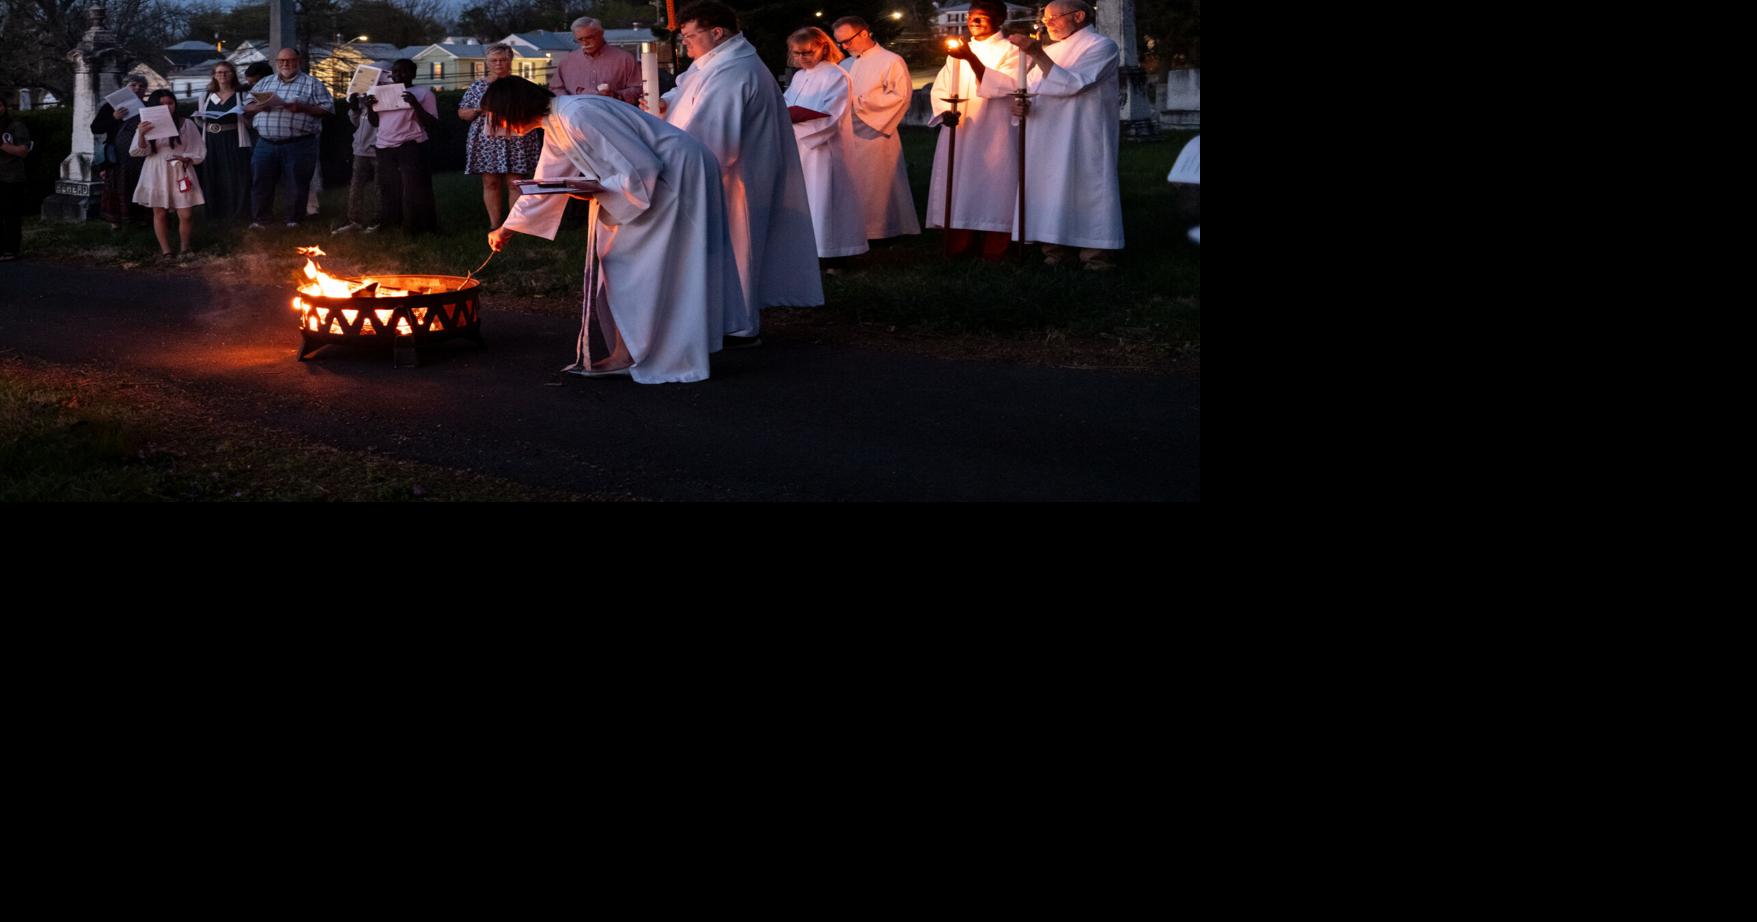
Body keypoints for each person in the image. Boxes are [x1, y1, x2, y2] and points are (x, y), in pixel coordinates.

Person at [481, 78, 744, 384]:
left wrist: (596, 189)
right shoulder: (558, 121)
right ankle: (631, 351)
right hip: (655, 181)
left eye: (498, 117)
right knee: (621, 263)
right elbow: (546, 180)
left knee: (635, 264)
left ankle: (647, 353)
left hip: (675, 178)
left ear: (514, 108)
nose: (498, 126)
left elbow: (642, 167)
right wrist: (507, 227)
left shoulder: (577, 115)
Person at [661, 0, 822, 344]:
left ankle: (740, 324)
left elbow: (713, 137)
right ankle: (724, 318)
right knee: (728, 249)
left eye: (690, 36)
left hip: (737, 180)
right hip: (726, 175)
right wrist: (664, 104)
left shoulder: (734, 72)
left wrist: (667, 165)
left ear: (717, 32)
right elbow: (686, 92)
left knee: (738, 247)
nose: (685, 44)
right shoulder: (716, 63)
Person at [982, 0, 1123, 269]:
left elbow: (1074, 84)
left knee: (1087, 188)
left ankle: (1095, 253)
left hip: (1083, 133)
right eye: (1045, 19)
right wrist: (1021, 106)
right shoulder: (1051, 51)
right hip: (1045, 134)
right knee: (1049, 189)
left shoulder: (1101, 46)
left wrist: (1038, 54)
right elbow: (1032, 88)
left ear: (1078, 16)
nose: (1047, 24)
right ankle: (1054, 249)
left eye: (1054, 18)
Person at [931, 0, 1019, 260]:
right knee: (958, 180)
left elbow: (1006, 85)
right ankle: (959, 242)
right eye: (971, 16)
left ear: (999, 19)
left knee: (995, 182)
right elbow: (941, 87)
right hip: (961, 127)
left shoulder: (1011, 50)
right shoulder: (956, 53)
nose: (974, 21)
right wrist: (944, 112)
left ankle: (995, 243)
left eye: (983, 16)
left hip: (995, 128)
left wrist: (970, 57)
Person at [782, 27, 867, 264]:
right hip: (800, 146)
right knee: (806, 198)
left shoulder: (836, 76)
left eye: (807, 53)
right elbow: (786, 104)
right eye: (796, 53)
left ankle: (833, 252)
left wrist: (799, 125)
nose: (801, 58)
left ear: (823, 47)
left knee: (825, 197)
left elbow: (833, 114)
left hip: (824, 148)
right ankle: (807, 248)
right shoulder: (799, 76)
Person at [830, 15, 920, 241]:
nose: (844, 46)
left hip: (876, 132)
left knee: (876, 183)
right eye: (840, 42)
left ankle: (881, 230)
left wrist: (859, 103)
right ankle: (854, 228)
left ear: (864, 33)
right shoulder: (845, 64)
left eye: (847, 40)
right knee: (852, 182)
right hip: (847, 132)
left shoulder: (891, 60)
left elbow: (900, 97)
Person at [244, 48, 333, 228]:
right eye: (281, 61)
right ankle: (261, 220)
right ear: (276, 62)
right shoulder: (264, 82)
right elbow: (247, 107)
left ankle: (294, 221)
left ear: (298, 61)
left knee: (297, 184)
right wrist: (259, 107)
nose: (285, 64)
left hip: (298, 144)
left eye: (290, 60)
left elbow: (328, 110)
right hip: (265, 143)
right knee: (261, 182)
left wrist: (303, 108)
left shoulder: (312, 83)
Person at [459, 43, 544, 228]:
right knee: (490, 182)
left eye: (503, 60)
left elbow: (539, 110)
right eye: (494, 60)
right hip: (486, 140)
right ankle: (495, 224)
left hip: (516, 138)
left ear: (510, 60)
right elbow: (462, 113)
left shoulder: (520, 85)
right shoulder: (478, 86)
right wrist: (480, 109)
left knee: (516, 182)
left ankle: (514, 225)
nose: (498, 64)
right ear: (487, 62)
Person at [363, 58, 440, 235]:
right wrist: (370, 108)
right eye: (396, 72)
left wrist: (415, 104)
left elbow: (432, 123)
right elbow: (375, 122)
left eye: (404, 71)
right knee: (389, 187)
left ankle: (420, 227)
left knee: (415, 188)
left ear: (413, 74)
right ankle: (391, 224)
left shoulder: (423, 93)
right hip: (384, 146)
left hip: (411, 144)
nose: (399, 75)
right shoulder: (382, 92)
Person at [129, 89, 205, 258]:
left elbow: (198, 148)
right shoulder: (146, 125)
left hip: (180, 169)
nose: (167, 107)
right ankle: (166, 251)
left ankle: (185, 248)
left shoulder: (186, 124)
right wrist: (141, 134)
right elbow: (138, 151)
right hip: (156, 170)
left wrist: (187, 157)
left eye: (170, 103)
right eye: (162, 104)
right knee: (160, 212)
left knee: (186, 214)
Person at [192, 61, 254, 222]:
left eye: (226, 72)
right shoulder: (205, 96)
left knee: (235, 175)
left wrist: (243, 115)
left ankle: (238, 214)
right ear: (214, 75)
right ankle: (215, 214)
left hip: (233, 138)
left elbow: (249, 123)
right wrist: (199, 117)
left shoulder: (242, 95)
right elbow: (201, 123)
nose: (223, 75)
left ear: (233, 74)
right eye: (219, 72)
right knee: (213, 175)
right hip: (211, 140)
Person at [91, 73, 149, 228]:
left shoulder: (148, 107)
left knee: (140, 186)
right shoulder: (110, 107)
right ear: (125, 88)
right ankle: (117, 222)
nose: (137, 88)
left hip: (142, 155)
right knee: (118, 187)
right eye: (133, 85)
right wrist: (114, 118)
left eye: (142, 86)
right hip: (118, 157)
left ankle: (142, 220)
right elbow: (95, 128)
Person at [549, 16, 643, 104]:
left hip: (613, 113)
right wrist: (569, 101)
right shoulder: (566, 62)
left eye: (589, 37)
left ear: (601, 33)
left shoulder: (625, 59)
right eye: (580, 40)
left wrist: (616, 95)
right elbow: (555, 89)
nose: (585, 43)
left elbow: (640, 89)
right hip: (576, 114)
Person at [333, 79, 381, 234]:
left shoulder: (381, 98)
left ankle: (379, 219)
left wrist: (371, 106)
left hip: (378, 147)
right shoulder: (362, 102)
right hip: (360, 148)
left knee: (379, 186)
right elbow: (356, 123)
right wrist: (354, 108)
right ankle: (354, 220)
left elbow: (378, 123)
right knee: (356, 185)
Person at [1, 95, 32, 261]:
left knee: (11, 215)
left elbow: (23, 151)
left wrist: (2, 145)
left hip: (11, 177)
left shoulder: (15, 126)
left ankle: (11, 249)